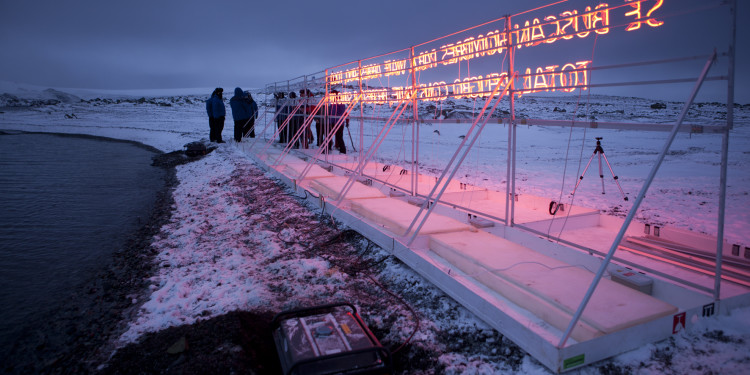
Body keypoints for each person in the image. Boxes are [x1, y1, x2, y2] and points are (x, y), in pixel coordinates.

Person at [330, 90, 349, 154]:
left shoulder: (340, 102)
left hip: (338, 122)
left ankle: (343, 150)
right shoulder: (332, 102)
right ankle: (328, 147)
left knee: (339, 137)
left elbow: (342, 112)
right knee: (330, 135)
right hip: (333, 121)